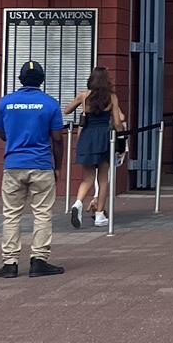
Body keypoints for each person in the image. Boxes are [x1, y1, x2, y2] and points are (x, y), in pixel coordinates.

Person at [0, 60, 66, 278]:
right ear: (42, 80)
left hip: (13, 164)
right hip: (41, 164)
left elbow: (2, 133)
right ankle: (39, 260)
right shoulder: (50, 104)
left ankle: (10, 263)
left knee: (11, 214)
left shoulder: (5, 103)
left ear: (20, 79)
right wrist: (58, 167)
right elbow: (57, 139)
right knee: (42, 213)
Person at [66, 66, 126, 229]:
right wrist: (121, 137)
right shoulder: (112, 97)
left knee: (87, 178)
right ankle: (99, 215)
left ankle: (77, 203)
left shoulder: (84, 96)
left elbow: (66, 110)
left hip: (87, 137)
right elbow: (118, 122)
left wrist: (81, 109)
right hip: (104, 137)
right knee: (103, 178)